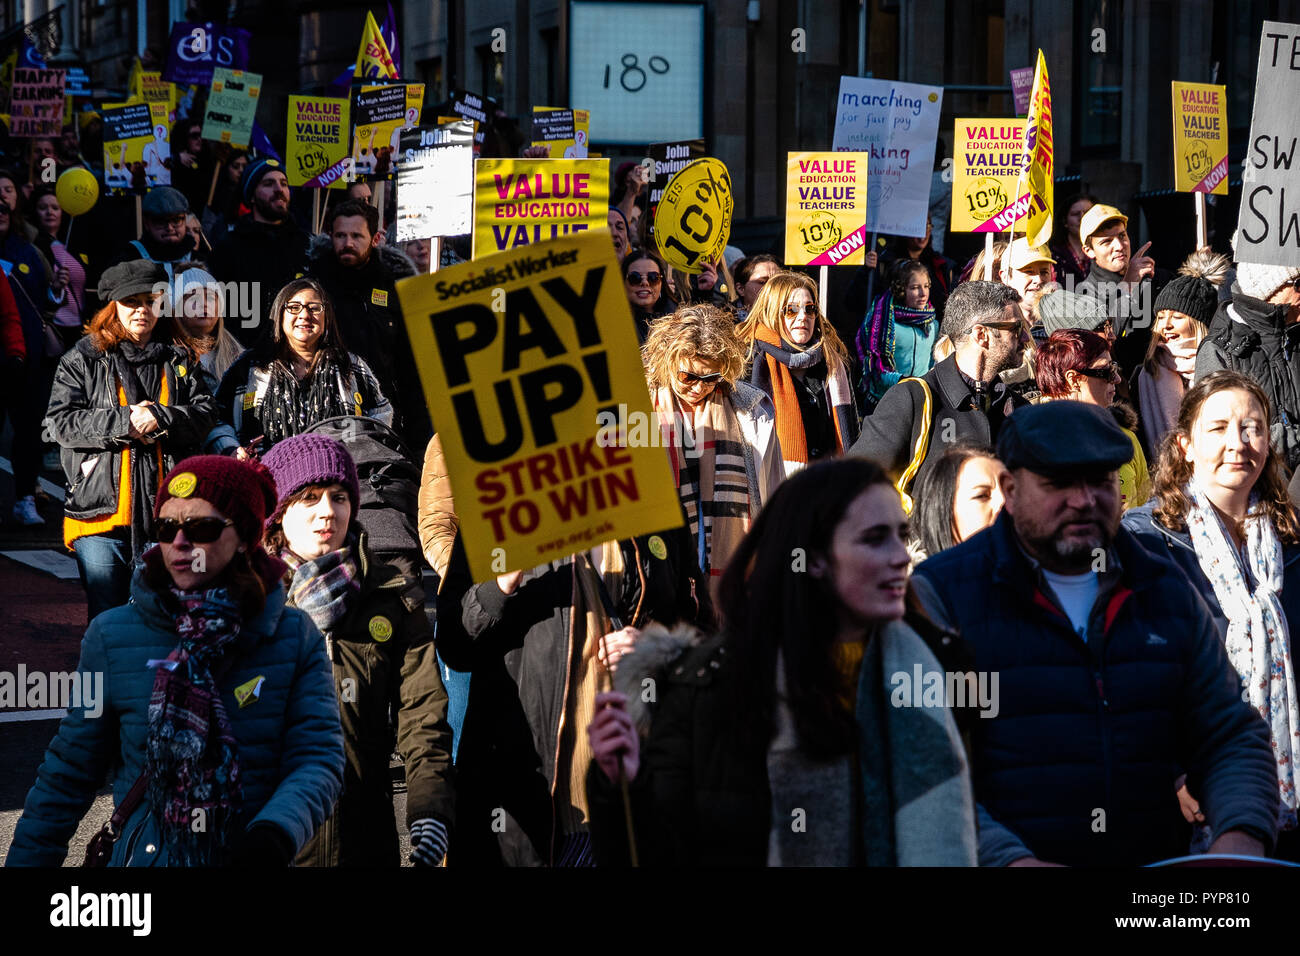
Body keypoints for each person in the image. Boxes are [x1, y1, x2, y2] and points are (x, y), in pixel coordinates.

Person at [911, 401, 1280, 866]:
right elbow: (920, 766)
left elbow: (1228, 734)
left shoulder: (1162, 587)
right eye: (1059, 483)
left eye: (1101, 480)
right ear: (1010, 487)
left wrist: (1242, 837)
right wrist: (1007, 860)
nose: (1084, 500)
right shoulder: (942, 595)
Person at [585, 458, 978, 866]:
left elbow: (986, 816)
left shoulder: (945, 670)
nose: (901, 556)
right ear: (813, 558)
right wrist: (621, 789)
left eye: (902, 535)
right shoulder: (706, 686)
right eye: (875, 539)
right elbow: (657, 852)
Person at [7, 455, 345, 866]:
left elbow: (318, 758)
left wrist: (274, 834)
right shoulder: (110, 635)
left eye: (202, 528)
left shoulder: (294, 635)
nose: (181, 543)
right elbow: (69, 770)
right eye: (167, 528)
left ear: (244, 538)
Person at [451, 516, 712, 866]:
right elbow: (455, 645)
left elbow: (702, 635)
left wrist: (655, 650)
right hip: (529, 802)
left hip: (633, 797)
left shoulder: (653, 506)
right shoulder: (499, 509)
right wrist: (500, 584)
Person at [1123, 370, 1300, 860]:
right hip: (1187, 791)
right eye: (1218, 428)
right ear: (1185, 445)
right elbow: (1136, 672)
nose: (1238, 443)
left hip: (1286, 781)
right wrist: (1175, 769)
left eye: (1253, 427)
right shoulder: (1146, 540)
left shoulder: (1291, 541)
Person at [261, 434, 456, 867]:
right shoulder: (244, 600)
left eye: (340, 496)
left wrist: (429, 809)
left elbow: (422, 715)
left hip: (365, 839)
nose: (327, 511)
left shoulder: (394, 597)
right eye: (308, 498)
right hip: (271, 843)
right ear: (277, 514)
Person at [44, 261, 217, 619]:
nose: (142, 310)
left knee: (165, 617)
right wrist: (126, 421)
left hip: (169, 512)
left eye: (150, 300)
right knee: (107, 616)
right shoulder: (83, 358)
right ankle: (103, 677)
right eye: (131, 302)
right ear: (112, 307)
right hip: (100, 513)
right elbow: (60, 423)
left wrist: (161, 416)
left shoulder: (179, 356)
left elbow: (206, 413)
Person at [849, 281, 1031, 508]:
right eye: (1016, 329)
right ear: (982, 335)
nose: (1025, 338)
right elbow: (853, 488)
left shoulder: (1020, 410)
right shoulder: (912, 398)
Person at [643, 304, 784, 592]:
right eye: (688, 377)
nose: (698, 387)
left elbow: (774, 493)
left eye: (711, 379)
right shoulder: (639, 406)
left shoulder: (752, 408)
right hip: (659, 557)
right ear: (666, 360)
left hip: (732, 565)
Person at [213, 278, 391, 456]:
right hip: (265, 476)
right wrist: (231, 449)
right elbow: (216, 418)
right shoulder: (249, 367)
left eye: (314, 308)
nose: (305, 315)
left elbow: (382, 414)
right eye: (294, 307)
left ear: (326, 317)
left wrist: (361, 451)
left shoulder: (350, 367)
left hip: (338, 477)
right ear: (279, 315)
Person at [306, 198, 429, 450]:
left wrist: (416, 428)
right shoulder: (312, 285)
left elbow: (409, 362)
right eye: (340, 235)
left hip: (383, 412)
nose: (347, 243)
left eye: (356, 236)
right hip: (324, 409)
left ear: (375, 239)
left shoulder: (394, 285)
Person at [736, 270, 857, 473]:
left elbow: (851, 430)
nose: (803, 317)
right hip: (774, 486)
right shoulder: (748, 361)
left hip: (830, 483)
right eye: (791, 310)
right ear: (772, 311)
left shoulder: (832, 361)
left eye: (810, 309)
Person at [1195, 260, 1300, 472]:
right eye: (1298, 283)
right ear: (1270, 288)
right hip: (1257, 496)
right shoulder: (1220, 350)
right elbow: (1220, 439)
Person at [1036, 329, 1149, 511]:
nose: (1117, 379)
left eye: (1114, 367)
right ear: (1073, 379)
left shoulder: (1124, 436)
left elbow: (1146, 510)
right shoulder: (1033, 444)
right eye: (1106, 371)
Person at [209, 158, 311, 348]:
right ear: (252, 196)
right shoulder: (229, 246)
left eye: (284, 183)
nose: (279, 189)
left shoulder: (307, 244)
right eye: (268, 183)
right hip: (246, 354)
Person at [1134, 263, 1218, 457]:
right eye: (1161, 317)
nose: (1166, 325)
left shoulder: (1218, 365)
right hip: (1166, 474)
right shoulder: (1149, 371)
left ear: (1199, 324)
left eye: (1177, 317)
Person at [1074, 203, 1160, 380]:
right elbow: (1103, 343)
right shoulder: (1085, 294)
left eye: (1122, 236)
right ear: (1088, 251)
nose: (1119, 246)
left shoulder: (1155, 278)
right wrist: (1127, 286)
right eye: (1106, 241)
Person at [855, 258, 938, 412]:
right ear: (901, 289)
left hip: (919, 401)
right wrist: (903, 381)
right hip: (884, 402)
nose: (922, 293)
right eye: (915, 287)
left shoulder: (933, 323)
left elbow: (933, 363)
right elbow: (876, 368)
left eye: (926, 286)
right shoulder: (884, 321)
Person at [909, 442, 1007, 562]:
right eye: (981, 496)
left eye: (1011, 492)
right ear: (943, 513)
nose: (1004, 502)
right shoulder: (917, 580)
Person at [28, 186, 87, 349]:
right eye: (43, 208)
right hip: (54, 327)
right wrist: (53, 289)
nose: (49, 212)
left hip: (79, 327)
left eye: (55, 207)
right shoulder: (32, 248)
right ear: (35, 212)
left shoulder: (72, 246)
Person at [171, 265, 243, 394]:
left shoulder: (238, 356)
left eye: (210, 298)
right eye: (193, 298)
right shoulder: (168, 356)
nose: (203, 303)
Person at [621, 246, 675, 342]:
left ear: (661, 283)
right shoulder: (613, 323)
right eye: (635, 278)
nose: (645, 283)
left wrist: (705, 293)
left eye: (653, 277)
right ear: (622, 282)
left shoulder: (678, 318)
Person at [1048, 193, 1097, 288]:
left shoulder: (1107, 252)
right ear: (1065, 221)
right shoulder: (1053, 256)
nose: (1082, 218)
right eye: (1075, 214)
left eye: (1087, 213)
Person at [998, 238, 1056, 316]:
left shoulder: (1065, 323)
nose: (1038, 280)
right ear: (1005, 277)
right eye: (1029, 272)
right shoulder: (994, 325)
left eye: (1044, 272)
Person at [732, 253, 779, 321]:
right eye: (762, 282)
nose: (772, 287)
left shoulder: (790, 314)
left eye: (777, 282)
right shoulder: (723, 319)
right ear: (741, 289)